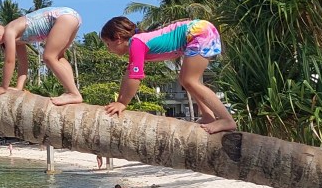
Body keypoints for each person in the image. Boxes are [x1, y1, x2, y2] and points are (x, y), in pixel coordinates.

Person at [100, 16, 237, 135]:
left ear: (118, 38)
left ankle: (226, 119)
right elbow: (128, 75)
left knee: (190, 80)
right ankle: (207, 116)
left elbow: (135, 77)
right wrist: (119, 101)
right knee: (186, 80)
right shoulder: (137, 43)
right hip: (199, 30)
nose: (108, 49)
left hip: (199, 32)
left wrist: (122, 103)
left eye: (107, 44)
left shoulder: (136, 43)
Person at [0, 7, 84, 106]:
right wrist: (19, 88)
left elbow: (10, 61)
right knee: (58, 57)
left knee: (49, 57)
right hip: (71, 17)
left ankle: (73, 93)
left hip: (62, 18)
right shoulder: (17, 39)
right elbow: (23, 64)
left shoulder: (10, 31)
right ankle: (73, 92)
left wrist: (3, 87)